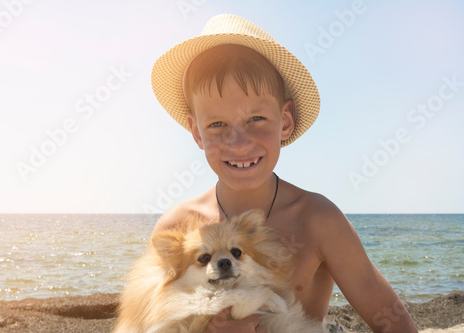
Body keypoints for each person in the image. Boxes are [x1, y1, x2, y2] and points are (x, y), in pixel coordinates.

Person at [150, 14, 418, 333]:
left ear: (286, 120)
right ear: (196, 131)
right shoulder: (178, 228)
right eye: (217, 124)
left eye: (256, 118)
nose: (238, 143)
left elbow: (393, 322)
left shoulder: (319, 220)